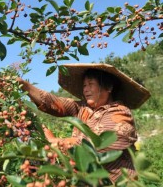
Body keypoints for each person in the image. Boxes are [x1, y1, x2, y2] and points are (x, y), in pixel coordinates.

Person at [16, 63, 151, 183]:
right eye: (84, 85)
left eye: (91, 84)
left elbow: (98, 144)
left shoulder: (121, 113)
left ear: (109, 87)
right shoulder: (83, 109)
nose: (85, 89)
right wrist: (25, 86)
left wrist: (55, 142)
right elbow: (55, 103)